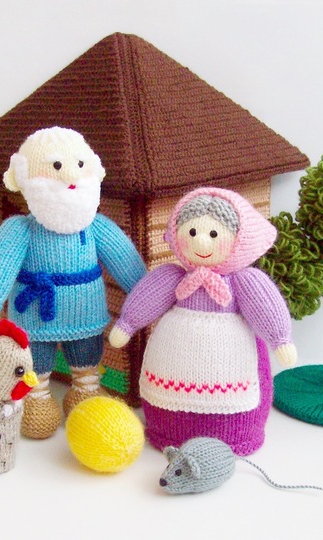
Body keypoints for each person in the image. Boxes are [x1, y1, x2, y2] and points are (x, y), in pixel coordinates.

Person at [0, 127, 145, 439]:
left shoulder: (96, 227)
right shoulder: (20, 229)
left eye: (79, 165)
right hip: (34, 318)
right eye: (56, 166)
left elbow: (126, 261)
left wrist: (146, 293)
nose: (70, 176)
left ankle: (86, 390)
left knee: (87, 356)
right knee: (35, 363)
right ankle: (36, 397)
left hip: (86, 316)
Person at [109, 187, 296, 455]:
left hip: (232, 358)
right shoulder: (173, 277)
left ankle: (235, 435)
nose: (201, 242)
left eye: (213, 235)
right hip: (175, 353)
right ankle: (168, 429)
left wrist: (280, 339)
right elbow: (148, 297)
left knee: (235, 399)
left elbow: (265, 307)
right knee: (168, 395)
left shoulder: (245, 281)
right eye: (193, 232)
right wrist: (127, 323)